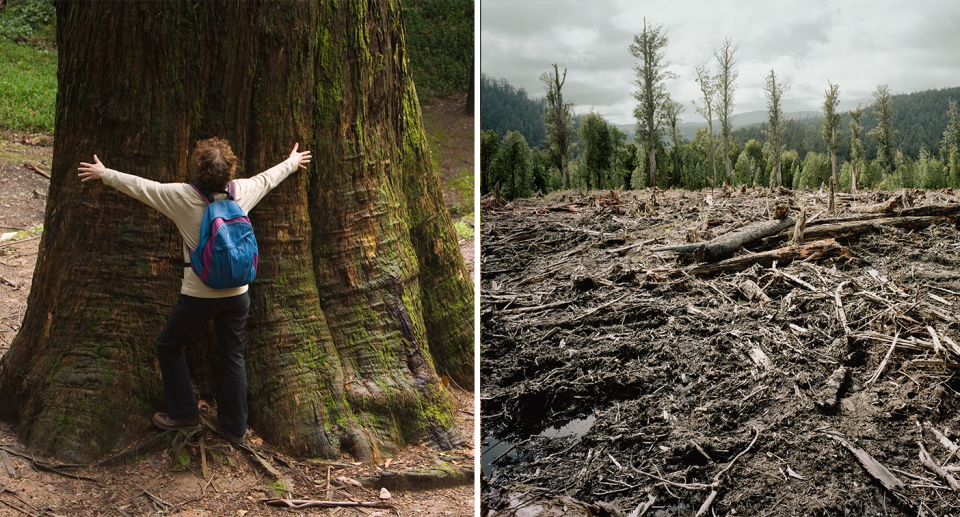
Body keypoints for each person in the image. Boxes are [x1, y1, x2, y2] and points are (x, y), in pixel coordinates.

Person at [77, 138, 311, 443]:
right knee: (233, 354)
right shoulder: (242, 191)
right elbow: (267, 179)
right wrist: (292, 162)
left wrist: (104, 173)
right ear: (231, 169)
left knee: (168, 346)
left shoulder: (181, 196)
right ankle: (235, 425)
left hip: (199, 295)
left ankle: (185, 414)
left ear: (196, 168)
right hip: (238, 293)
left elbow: (143, 187)